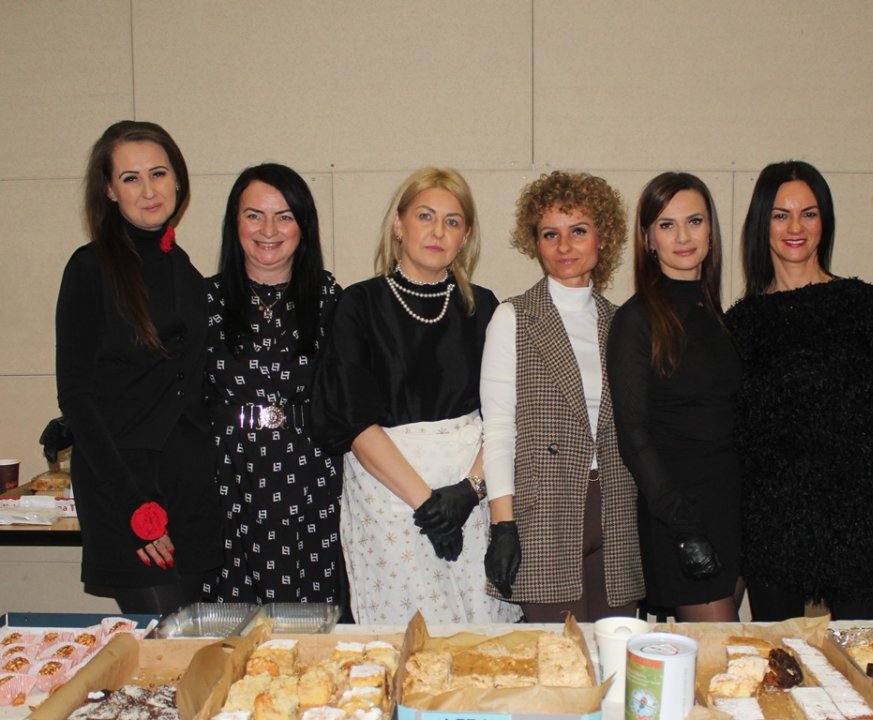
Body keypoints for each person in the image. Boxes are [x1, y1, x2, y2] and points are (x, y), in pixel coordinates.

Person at [312, 167, 520, 624]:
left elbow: (506, 416)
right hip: (390, 503)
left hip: (469, 502)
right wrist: (426, 504)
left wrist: (469, 491)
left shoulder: (486, 307)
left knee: (479, 643)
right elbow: (352, 420)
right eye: (425, 216)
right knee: (404, 642)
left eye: (452, 221)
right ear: (398, 224)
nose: (437, 231)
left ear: (465, 237)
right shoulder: (358, 305)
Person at [55, 120, 222, 614]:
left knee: (194, 646)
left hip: (189, 488)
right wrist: (134, 506)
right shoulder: (89, 268)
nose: (149, 190)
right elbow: (77, 397)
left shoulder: (185, 270)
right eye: (131, 178)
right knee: (162, 645)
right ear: (109, 190)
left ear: (178, 180)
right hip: (123, 486)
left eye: (158, 173)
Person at [724, 160, 873, 621]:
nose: (795, 227)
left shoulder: (865, 306)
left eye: (809, 213)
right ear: (761, 224)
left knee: (865, 657)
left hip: (860, 519)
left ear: (826, 221)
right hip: (772, 522)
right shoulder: (741, 323)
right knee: (777, 660)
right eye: (780, 215)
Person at [481, 170, 645, 622]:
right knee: (560, 656)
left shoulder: (623, 323)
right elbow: (498, 429)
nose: (564, 246)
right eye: (550, 234)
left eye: (578, 231)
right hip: (544, 514)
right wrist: (503, 524)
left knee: (616, 652)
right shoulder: (514, 318)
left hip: (616, 510)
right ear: (535, 242)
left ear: (602, 237)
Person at [205, 163, 343, 605]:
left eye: (284, 216)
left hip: (310, 479)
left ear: (304, 226)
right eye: (254, 215)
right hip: (225, 479)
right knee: (229, 622)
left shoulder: (332, 301)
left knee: (308, 621)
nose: (268, 230)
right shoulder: (201, 301)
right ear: (235, 223)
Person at [608, 172, 742, 621]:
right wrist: (684, 527)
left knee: (732, 653)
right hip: (680, 517)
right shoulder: (636, 319)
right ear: (648, 239)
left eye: (694, 221)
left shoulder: (716, 313)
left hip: (731, 507)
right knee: (717, 655)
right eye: (667, 225)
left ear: (711, 231)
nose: (683, 237)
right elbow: (633, 436)